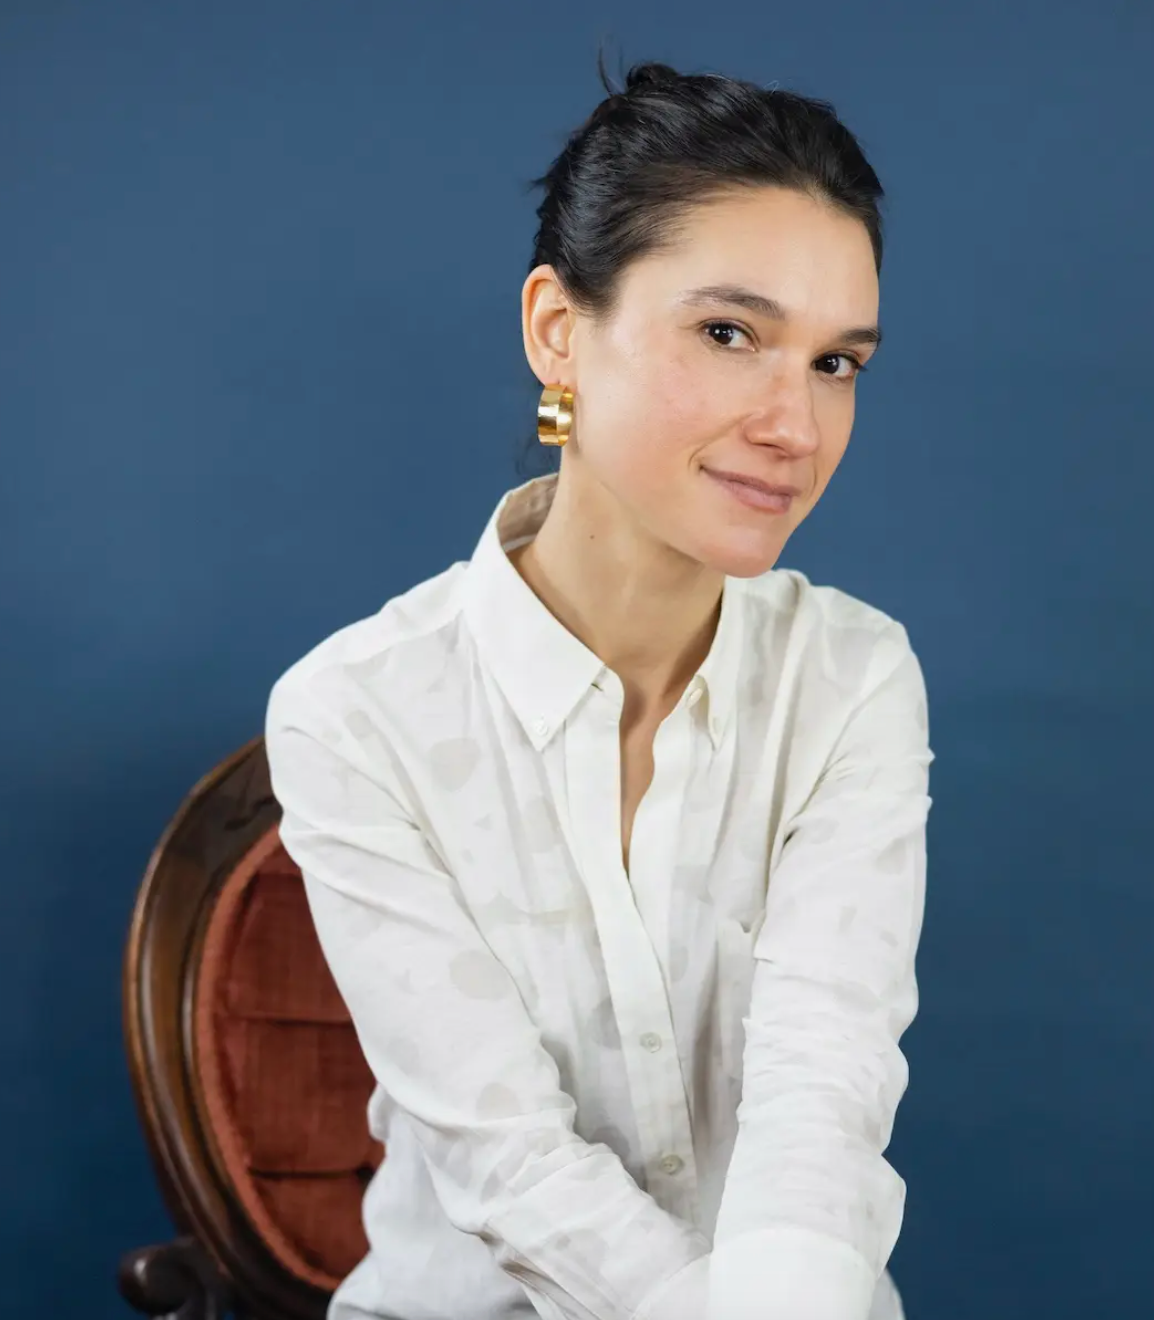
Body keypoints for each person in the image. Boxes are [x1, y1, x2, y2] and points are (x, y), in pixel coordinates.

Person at [265, 55, 934, 1320]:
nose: (795, 425)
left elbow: (822, 1103)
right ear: (557, 332)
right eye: (728, 334)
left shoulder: (851, 677)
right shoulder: (353, 713)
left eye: (836, 362)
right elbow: (509, 1166)